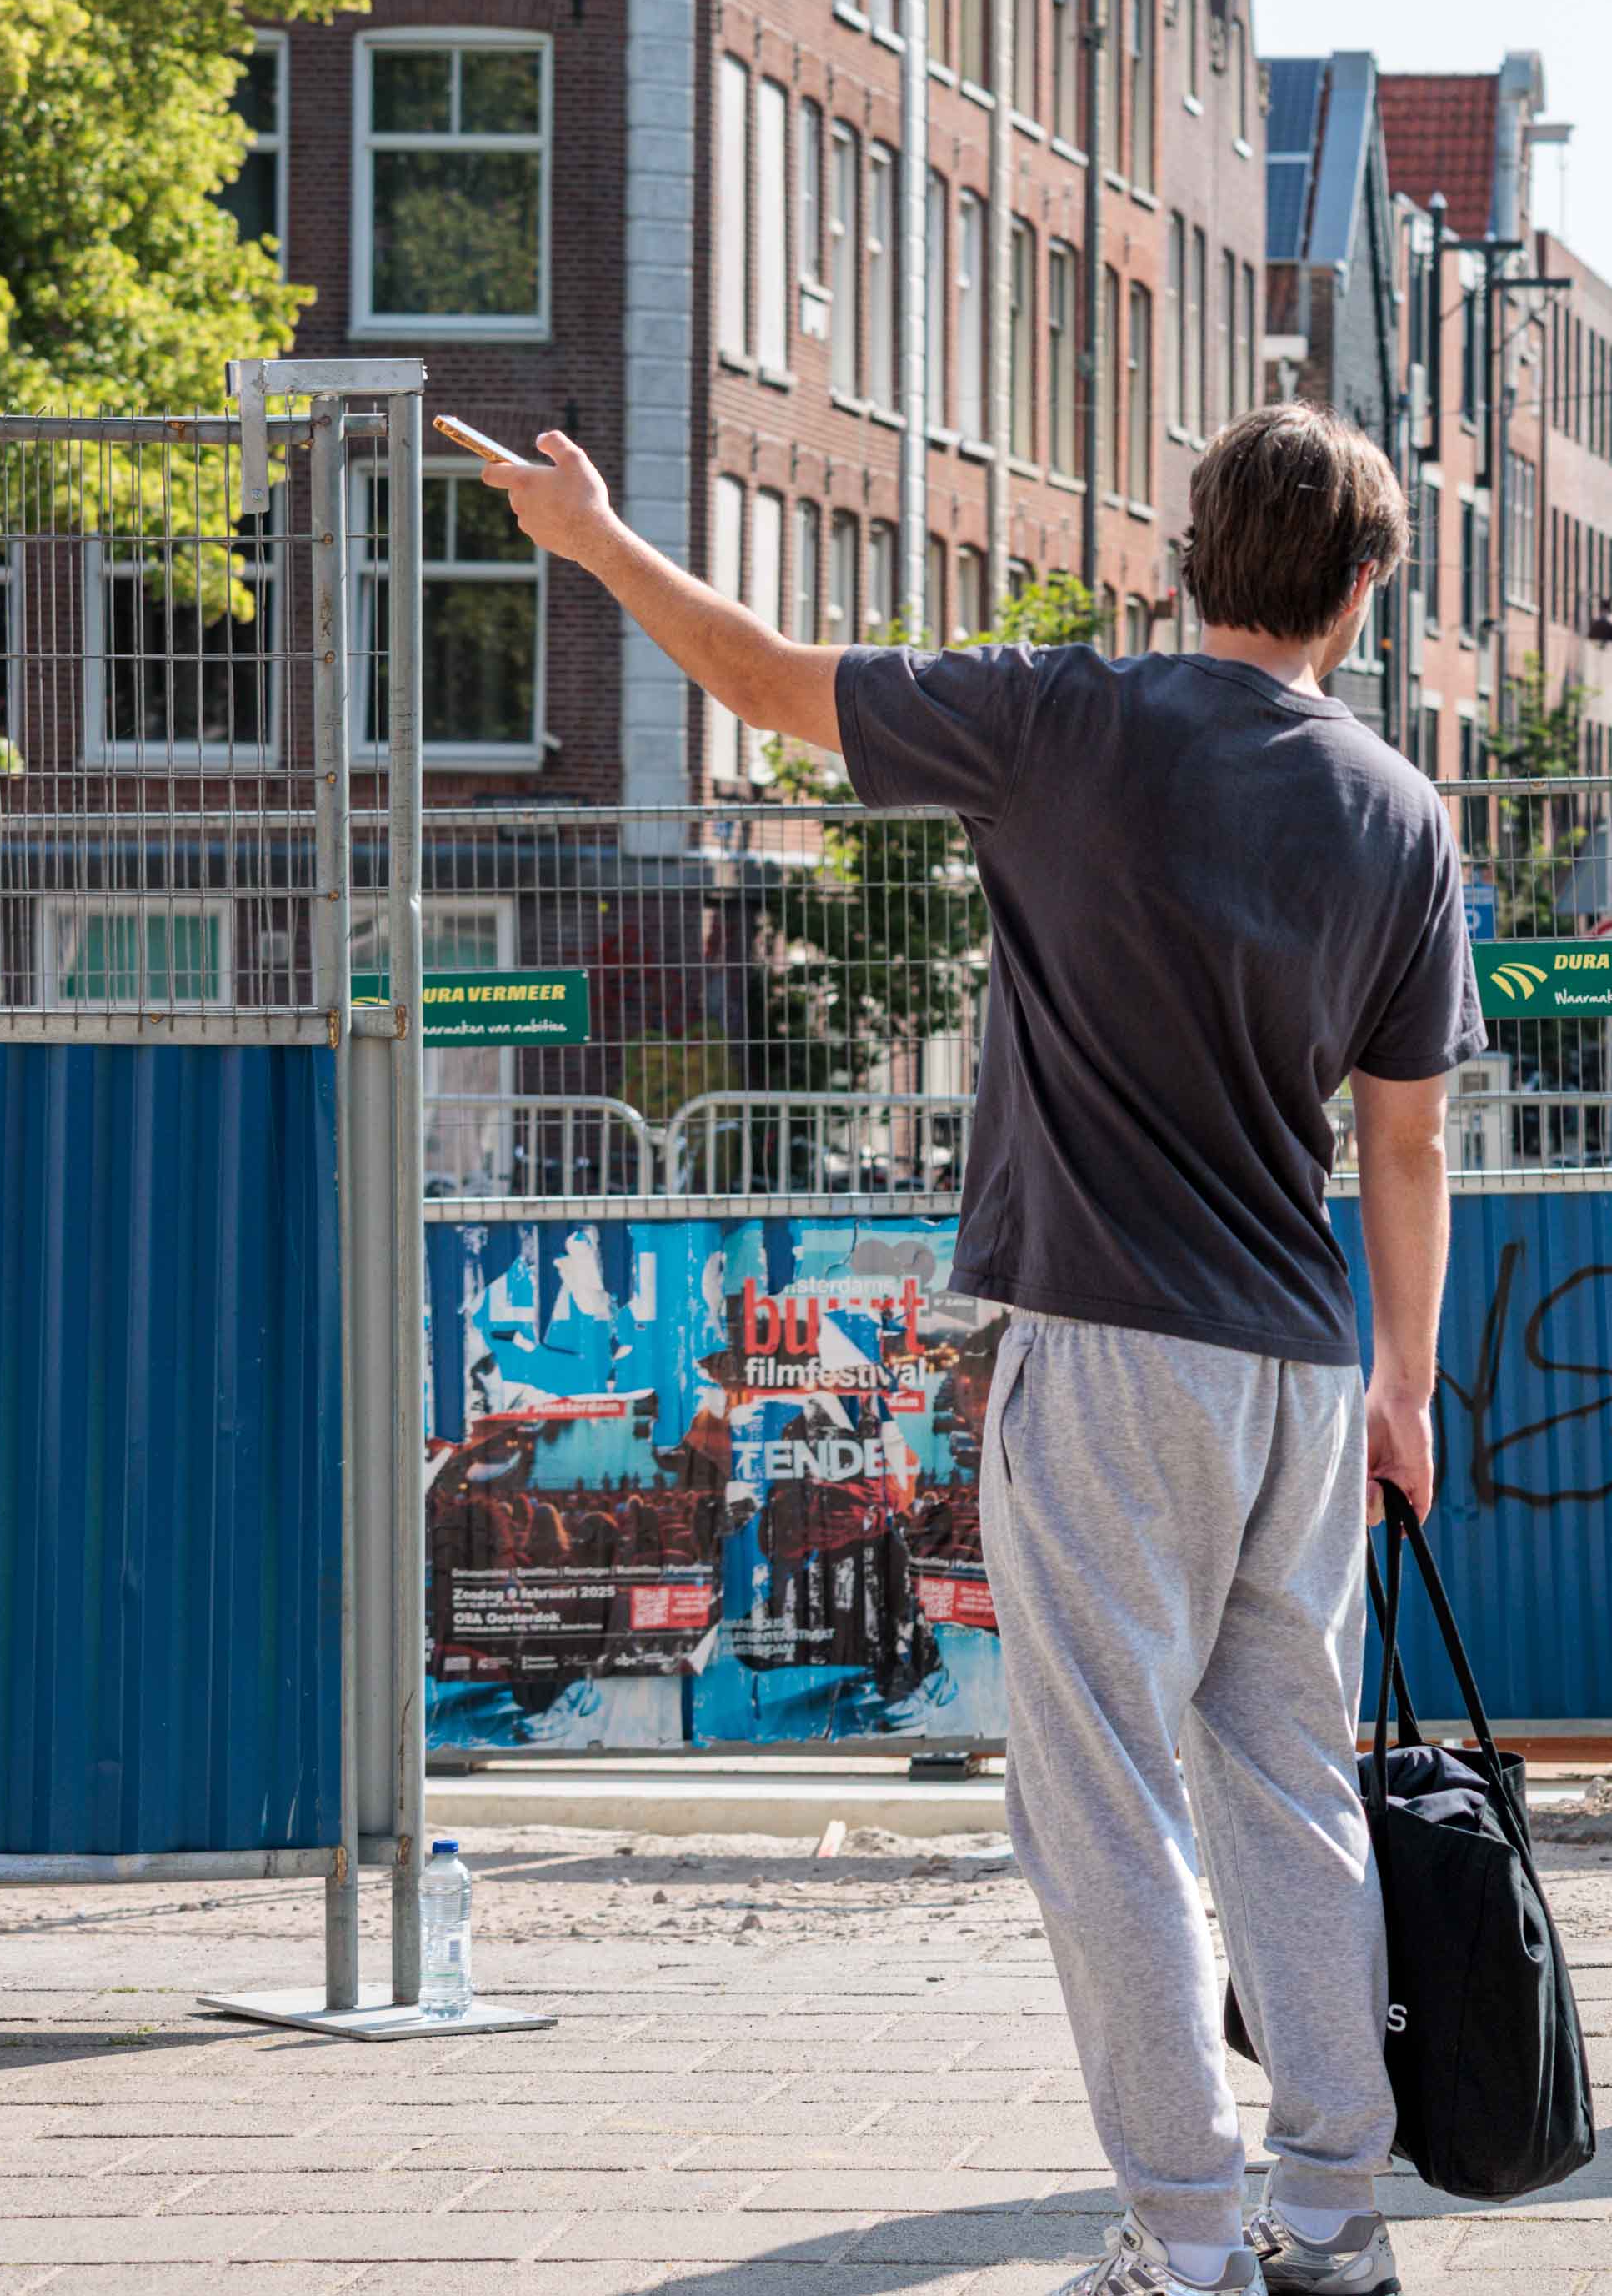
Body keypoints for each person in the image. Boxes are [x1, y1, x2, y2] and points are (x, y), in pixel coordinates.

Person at [478, 405, 1471, 2296]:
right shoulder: (1400, 813)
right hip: (1304, 1369)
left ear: (1182, 561)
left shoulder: (1063, 722)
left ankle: (1184, 2240)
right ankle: (1335, 2215)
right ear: (1366, 587)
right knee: (1290, 1783)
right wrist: (1405, 1382)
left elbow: (765, 681)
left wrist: (596, 537)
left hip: (1112, 1348)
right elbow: (1408, 1140)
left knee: (1102, 1790)